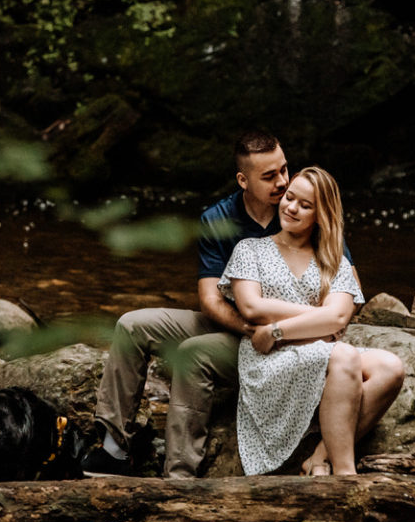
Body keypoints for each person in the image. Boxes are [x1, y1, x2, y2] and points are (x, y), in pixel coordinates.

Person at [84, 130, 303, 478]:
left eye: (284, 169)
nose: (283, 182)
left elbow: (339, 278)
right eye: (269, 176)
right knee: (130, 325)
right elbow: (210, 301)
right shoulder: (217, 219)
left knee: (193, 352)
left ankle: (180, 475)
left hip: (287, 334)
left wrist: (279, 330)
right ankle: (113, 449)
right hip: (239, 324)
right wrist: (253, 328)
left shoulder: (300, 210)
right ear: (243, 180)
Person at [218, 166, 405, 476]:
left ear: (321, 215)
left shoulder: (333, 261)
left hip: (297, 346)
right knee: (344, 353)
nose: (291, 208)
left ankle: (320, 457)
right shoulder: (251, 250)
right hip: (268, 362)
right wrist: (323, 319)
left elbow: (340, 316)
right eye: (290, 198)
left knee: (391, 367)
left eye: (305, 205)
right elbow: (251, 307)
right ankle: (346, 475)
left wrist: (277, 329)